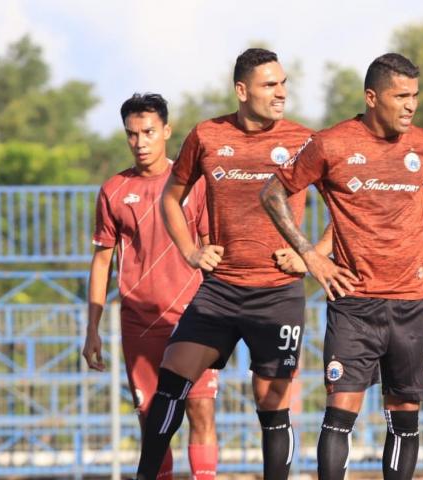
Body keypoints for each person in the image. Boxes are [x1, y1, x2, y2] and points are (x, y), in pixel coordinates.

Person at [260, 53, 423, 480]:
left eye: (415, 96)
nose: (410, 105)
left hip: (412, 302)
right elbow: (272, 193)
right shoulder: (331, 144)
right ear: (372, 98)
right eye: (401, 96)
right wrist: (311, 255)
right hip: (354, 303)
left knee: (404, 415)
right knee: (341, 411)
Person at [135, 48, 323, 480]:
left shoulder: (304, 140)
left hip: (277, 295)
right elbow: (170, 197)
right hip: (219, 292)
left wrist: (311, 254)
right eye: (269, 85)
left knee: (272, 404)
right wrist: (190, 251)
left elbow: (347, 207)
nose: (281, 93)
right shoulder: (206, 136)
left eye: (283, 83)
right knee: (171, 380)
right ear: (242, 90)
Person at [82, 93, 220, 480]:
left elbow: (212, 249)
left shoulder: (193, 184)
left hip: (194, 318)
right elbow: (102, 261)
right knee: (152, 422)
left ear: (166, 131)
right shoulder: (113, 190)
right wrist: (92, 327)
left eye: (148, 132)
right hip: (140, 324)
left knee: (200, 408)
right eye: (132, 134)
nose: (140, 142)